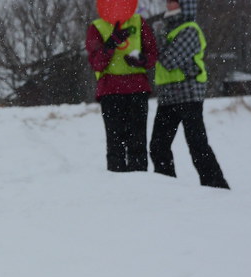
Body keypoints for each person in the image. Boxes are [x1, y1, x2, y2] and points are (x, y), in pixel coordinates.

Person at [150, 0, 229, 189]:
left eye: (172, 2)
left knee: (197, 144)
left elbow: (169, 60)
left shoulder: (190, 29)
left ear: (184, 6)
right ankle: (166, 186)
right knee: (158, 146)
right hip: (168, 96)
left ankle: (216, 186)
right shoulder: (167, 28)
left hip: (188, 94)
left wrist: (158, 37)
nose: (167, 5)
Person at [86, 9, 158, 172]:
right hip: (111, 92)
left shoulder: (139, 22)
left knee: (138, 143)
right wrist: (111, 44)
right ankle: (118, 186)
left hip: (137, 89)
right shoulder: (97, 27)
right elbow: (96, 63)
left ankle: (139, 183)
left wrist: (142, 60)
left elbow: (152, 53)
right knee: (115, 144)